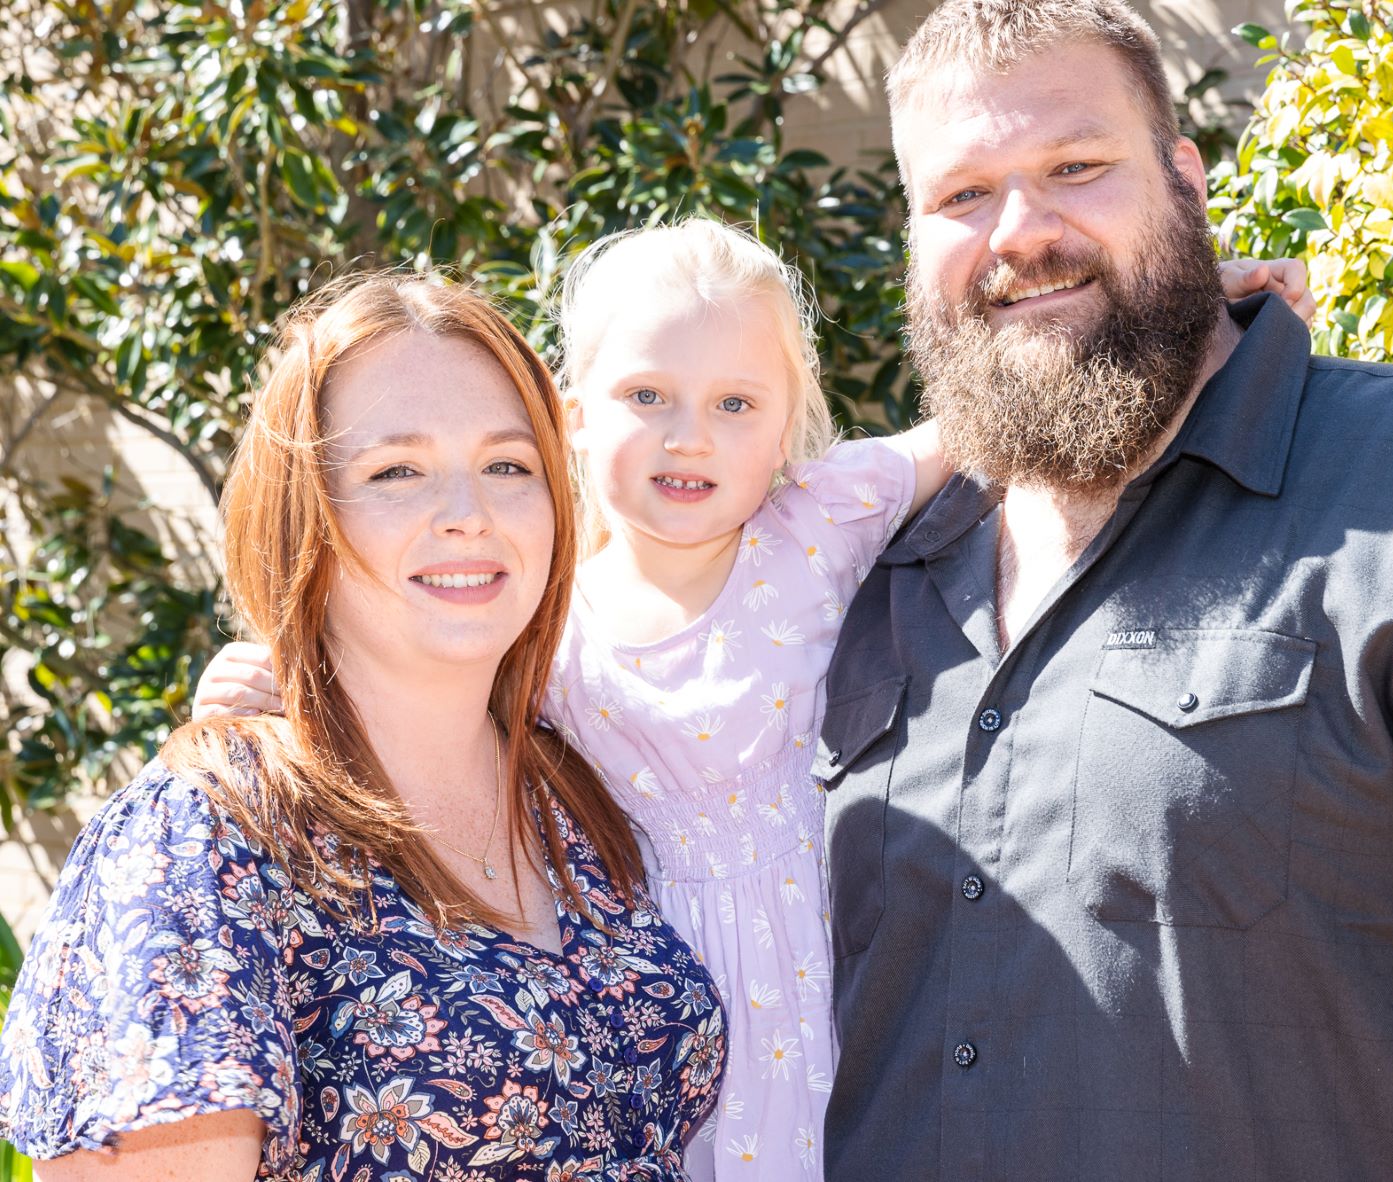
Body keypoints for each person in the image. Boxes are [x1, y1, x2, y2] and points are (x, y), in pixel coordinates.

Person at [813, 2, 1393, 1179]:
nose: (1021, 230)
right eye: (962, 195)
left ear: (1184, 180)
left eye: (1075, 166)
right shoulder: (862, 573)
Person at [190, 223, 1313, 1178]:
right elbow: (399, 658)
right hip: (651, 998)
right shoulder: (539, 600)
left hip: (835, 959)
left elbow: (996, 415)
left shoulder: (815, 525)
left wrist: (1184, 303)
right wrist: (266, 676)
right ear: (572, 415)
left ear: (788, 428)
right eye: (648, 397)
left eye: (737, 402)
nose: (691, 436)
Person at [0, 276, 726, 1180]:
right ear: (303, 516)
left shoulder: (572, 789)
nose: (469, 511)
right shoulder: (207, 837)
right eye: (396, 472)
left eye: (510, 465)